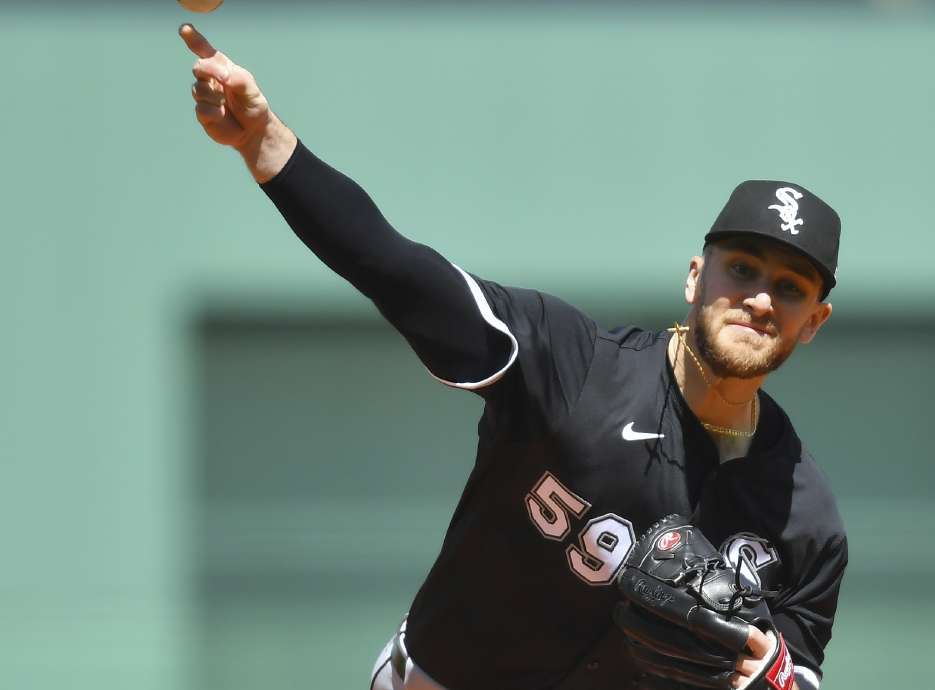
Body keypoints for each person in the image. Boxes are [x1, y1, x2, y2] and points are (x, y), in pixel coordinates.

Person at [179, 23, 848, 690]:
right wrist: (264, 144)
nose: (760, 299)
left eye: (789, 289)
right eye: (743, 269)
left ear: (813, 321)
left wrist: (775, 679)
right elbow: (399, 270)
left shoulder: (803, 517)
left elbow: (801, 669)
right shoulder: (577, 368)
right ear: (696, 276)